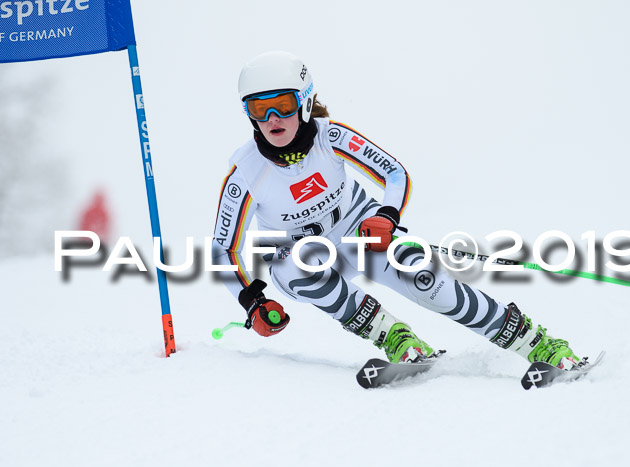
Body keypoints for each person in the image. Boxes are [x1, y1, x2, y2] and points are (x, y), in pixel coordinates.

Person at [211, 50, 582, 369]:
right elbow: (223, 250)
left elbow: (394, 173)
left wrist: (386, 216)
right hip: (301, 257)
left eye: (284, 105)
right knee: (297, 268)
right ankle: (398, 340)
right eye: (259, 108)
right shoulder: (245, 174)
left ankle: (536, 343)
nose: (272, 118)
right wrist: (252, 300)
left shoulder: (332, 137)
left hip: (359, 233)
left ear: (305, 102)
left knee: (423, 278)